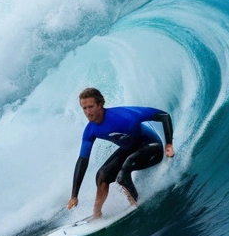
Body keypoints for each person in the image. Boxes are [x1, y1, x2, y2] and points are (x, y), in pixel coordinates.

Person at [68, 87, 174, 219]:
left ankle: (136, 204)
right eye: (84, 108)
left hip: (152, 148)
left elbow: (164, 116)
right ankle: (97, 214)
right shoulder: (91, 130)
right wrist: (74, 195)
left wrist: (169, 143)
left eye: (90, 107)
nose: (87, 112)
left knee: (124, 171)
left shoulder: (125, 116)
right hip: (129, 149)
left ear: (100, 105)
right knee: (102, 175)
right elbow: (83, 160)